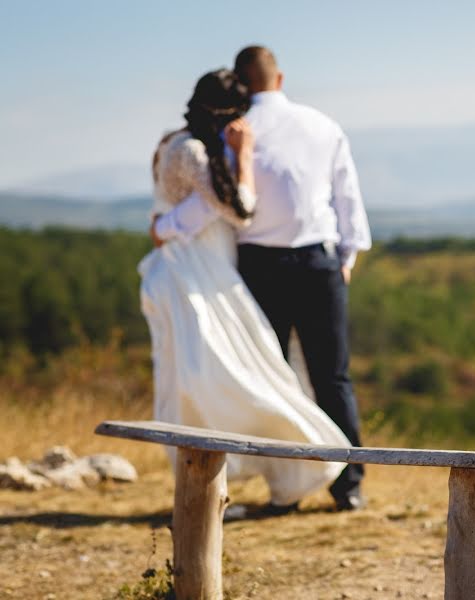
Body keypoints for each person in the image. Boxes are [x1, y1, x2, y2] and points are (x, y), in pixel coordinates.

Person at [151, 47, 372, 511]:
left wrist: (165, 227)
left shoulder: (229, 133)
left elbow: (219, 203)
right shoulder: (323, 125)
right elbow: (346, 195)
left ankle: (287, 485)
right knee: (333, 376)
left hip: (256, 267)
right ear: (281, 76)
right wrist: (347, 255)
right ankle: (348, 486)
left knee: (272, 376)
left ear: (242, 82)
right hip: (319, 262)